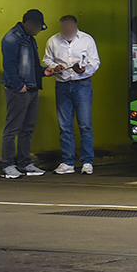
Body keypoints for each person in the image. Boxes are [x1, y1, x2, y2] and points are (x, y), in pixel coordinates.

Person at [43, 15, 101, 175]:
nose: (67, 31)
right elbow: (46, 60)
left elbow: (95, 62)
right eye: (65, 28)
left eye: (70, 28)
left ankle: (87, 161)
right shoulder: (53, 41)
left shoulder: (87, 40)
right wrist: (55, 66)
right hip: (62, 85)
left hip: (82, 84)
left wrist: (84, 70)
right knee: (64, 125)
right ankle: (67, 162)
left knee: (85, 125)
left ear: (75, 28)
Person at [1, 9, 53, 179]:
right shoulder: (12, 38)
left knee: (27, 128)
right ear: (28, 23)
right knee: (13, 127)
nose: (38, 30)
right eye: (37, 26)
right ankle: (8, 165)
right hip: (19, 89)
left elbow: (32, 65)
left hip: (31, 87)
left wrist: (44, 72)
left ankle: (24, 163)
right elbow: (8, 65)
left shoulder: (29, 39)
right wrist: (18, 85)